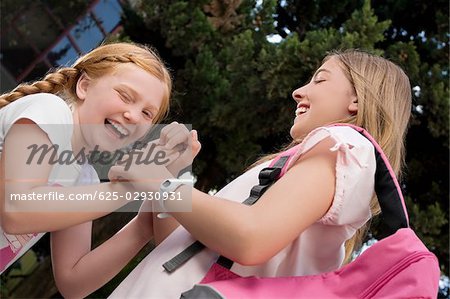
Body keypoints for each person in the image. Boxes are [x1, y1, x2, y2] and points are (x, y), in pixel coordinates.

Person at [108, 49, 412, 298]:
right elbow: (177, 248)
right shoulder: (293, 162)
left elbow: (250, 238)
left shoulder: (346, 145)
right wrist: (174, 175)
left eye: (319, 80)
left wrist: (158, 182)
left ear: (356, 100)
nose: (298, 92)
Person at [0, 42, 198, 297]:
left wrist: (144, 222)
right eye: (125, 96)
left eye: (147, 113)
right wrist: (133, 185)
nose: (134, 116)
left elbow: (73, 282)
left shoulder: (84, 177)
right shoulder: (49, 111)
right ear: (84, 86)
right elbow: (16, 209)